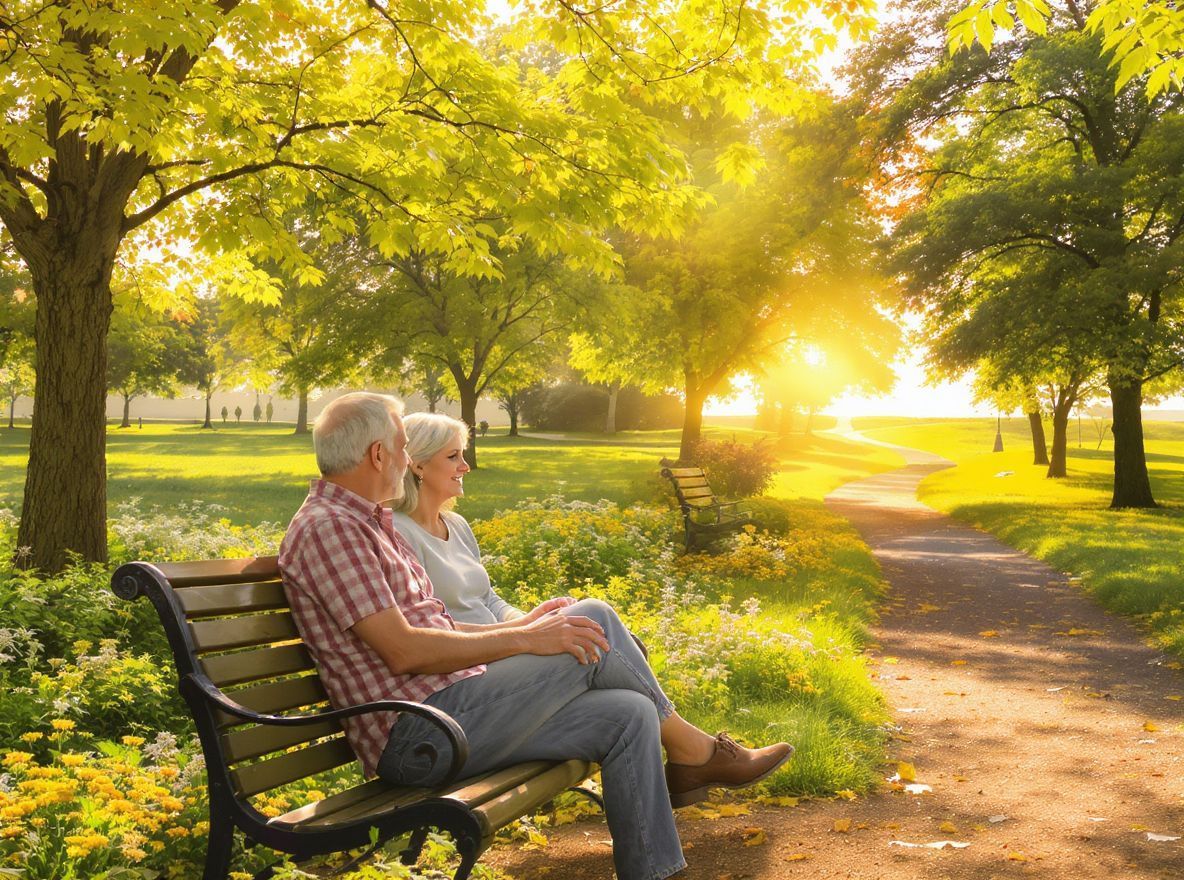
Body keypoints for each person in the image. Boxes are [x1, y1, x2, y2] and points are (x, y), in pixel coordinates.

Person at [278, 392, 793, 880]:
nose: (407, 455)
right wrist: (528, 640)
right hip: (421, 734)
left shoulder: (365, 524)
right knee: (595, 618)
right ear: (377, 453)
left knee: (629, 714)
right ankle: (697, 754)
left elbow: (433, 628)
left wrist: (526, 625)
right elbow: (405, 649)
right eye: (404, 446)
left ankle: (654, 868)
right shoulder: (331, 527)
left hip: (455, 709)